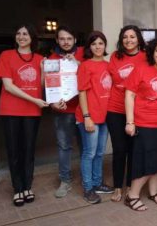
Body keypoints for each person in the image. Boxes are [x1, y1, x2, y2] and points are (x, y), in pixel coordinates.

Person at [0, 24, 48, 206]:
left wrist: (43, 70)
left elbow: (40, 86)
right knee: (14, 150)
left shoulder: (40, 59)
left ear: (32, 38)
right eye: (18, 33)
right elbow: (8, 86)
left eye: (25, 34)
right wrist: (34, 100)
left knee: (28, 149)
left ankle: (27, 186)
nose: (21, 36)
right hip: (10, 110)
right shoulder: (6, 56)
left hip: (31, 112)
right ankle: (17, 188)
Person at [124, 37, 157, 211]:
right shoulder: (141, 69)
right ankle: (132, 195)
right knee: (146, 162)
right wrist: (130, 122)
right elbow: (129, 95)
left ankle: (153, 192)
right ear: (152, 52)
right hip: (145, 124)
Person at [106, 25, 147, 202]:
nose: (128, 40)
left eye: (132, 36)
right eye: (125, 37)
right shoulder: (116, 56)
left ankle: (131, 183)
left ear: (138, 38)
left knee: (134, 149)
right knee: (119, 149)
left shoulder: (146, 56)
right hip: (115, 109)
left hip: (137, 111)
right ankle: (117, 186)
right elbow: (110, 76)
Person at [76, 31, 113, 204]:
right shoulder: (85, 66)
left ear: (105, 45)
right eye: (94, 44)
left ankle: (98, 183)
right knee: (89, 153)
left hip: (105, 117)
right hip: (89, 116)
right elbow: (82, 92)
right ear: (89, 47)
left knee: (99, 153)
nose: (98, 47)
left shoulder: (109, 65)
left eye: (101, 43)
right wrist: (86, 116)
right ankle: (88, 188)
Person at [48, 26, 85, 198]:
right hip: (63, 111)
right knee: (64, 146)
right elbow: (50, 87)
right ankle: (65, 180)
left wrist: (78, 63)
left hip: (84, 108)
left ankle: (88, 179)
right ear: (57, 40)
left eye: (69, 38)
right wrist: (53, 103)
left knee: (86, 146)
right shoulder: (52, 59)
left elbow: (94, 73)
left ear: (75, 40)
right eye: (62, 39)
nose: (65, 42)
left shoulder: (85, 54)